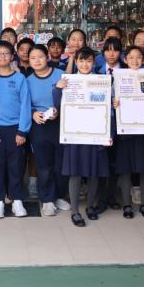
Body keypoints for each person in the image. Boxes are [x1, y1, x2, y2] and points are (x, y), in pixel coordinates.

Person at [54, 47, 110, 227]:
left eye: (89, 61)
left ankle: (90, 206)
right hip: (75, 134)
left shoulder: (102, 80)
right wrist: (58, 89)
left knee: (94, 173)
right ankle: (75, 211)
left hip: (96, 133)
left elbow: (109, 108)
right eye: (81, 61)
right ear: (76, 62)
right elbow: (57, 104)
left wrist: (110, 133)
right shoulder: (67, 80)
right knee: (75, 173)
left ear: (94, 62)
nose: (85, 64)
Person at [0, 41, 32, 219]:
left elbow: (25, 105)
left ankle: (16, 200)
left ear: (12, 56)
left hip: (15, 129)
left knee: (16, 166)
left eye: (6, 53)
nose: (3, 56)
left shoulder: (20, 79)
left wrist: (22, 131)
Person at [114, 46, 144, 219]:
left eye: (138, 57)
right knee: (125, 168)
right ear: (125, 60)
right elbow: (110, 100)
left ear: (143, 59)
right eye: (131, 57)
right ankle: (127, 205)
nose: (135, 60)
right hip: (125, 130)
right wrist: (114, 103)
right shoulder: (118, 77)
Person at [27, 44, 70, 216]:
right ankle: (46, 200)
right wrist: (33, 113)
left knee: (61, 163)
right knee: (44, 165)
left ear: (48, 57)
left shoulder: (61, 75)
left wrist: (59, 110)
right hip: (40, 125)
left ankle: (58, 196)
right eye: (33, 58)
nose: (37, 61)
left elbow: (73, 98)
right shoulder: (28, 81)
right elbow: (23, 104)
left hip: (60, 124)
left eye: (40, 57)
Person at [94, 37, 125, 212]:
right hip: (101, 120)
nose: (111, 54)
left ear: (120, 52)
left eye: (115, 50)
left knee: (115, 160)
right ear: (103, 52)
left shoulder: (128, 71)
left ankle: (111, 196)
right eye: (108, 50)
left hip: (122, 121)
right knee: (101, 159)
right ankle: (101, 198)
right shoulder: (96, 71)